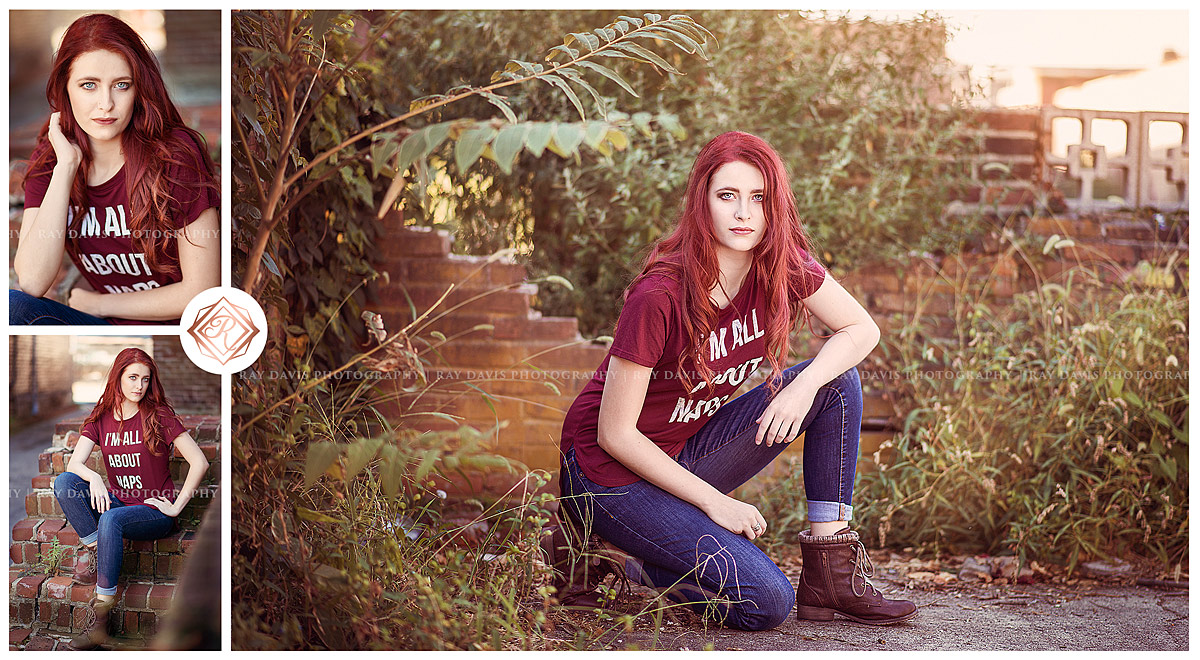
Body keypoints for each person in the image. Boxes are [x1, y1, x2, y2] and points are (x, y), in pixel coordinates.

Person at [555, 131, 917, 630]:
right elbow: (612, 434)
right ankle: (629, 565)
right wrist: (714, 503)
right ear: (703, 202)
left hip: (679, 453)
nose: (744, 213)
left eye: (758, 198)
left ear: (774, 205)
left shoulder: (780, 265)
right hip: (606, 473)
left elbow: (861, 329)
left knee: (835, 382)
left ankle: (829, 572)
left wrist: (802, 386)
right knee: (766, 602)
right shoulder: (658, 294)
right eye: (728, 196)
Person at [12, 13, 219, 325]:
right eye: (88, 86)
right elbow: (31, 281)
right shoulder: (54, 155)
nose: (105, 104)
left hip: (177, 328)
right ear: (65, 87)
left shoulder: (175, 155)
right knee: (15, 308)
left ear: (139, 89)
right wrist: (67, 167)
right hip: (105, 325)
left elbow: (201, 292)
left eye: (121, 85)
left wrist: (99, 305)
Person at [53, 347, 210, 649]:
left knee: (110, 518)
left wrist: (175, 506)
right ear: (118, 377)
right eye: (133, 377)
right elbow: (74, 464)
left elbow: (200, 462)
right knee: (64, 482)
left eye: (146, 379)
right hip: (118, 505)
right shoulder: (100, 417)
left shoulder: (159, 415)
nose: (140, 386)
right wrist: (95, 477)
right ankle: (100, 550)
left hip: (154, 512)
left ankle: (100, 623)